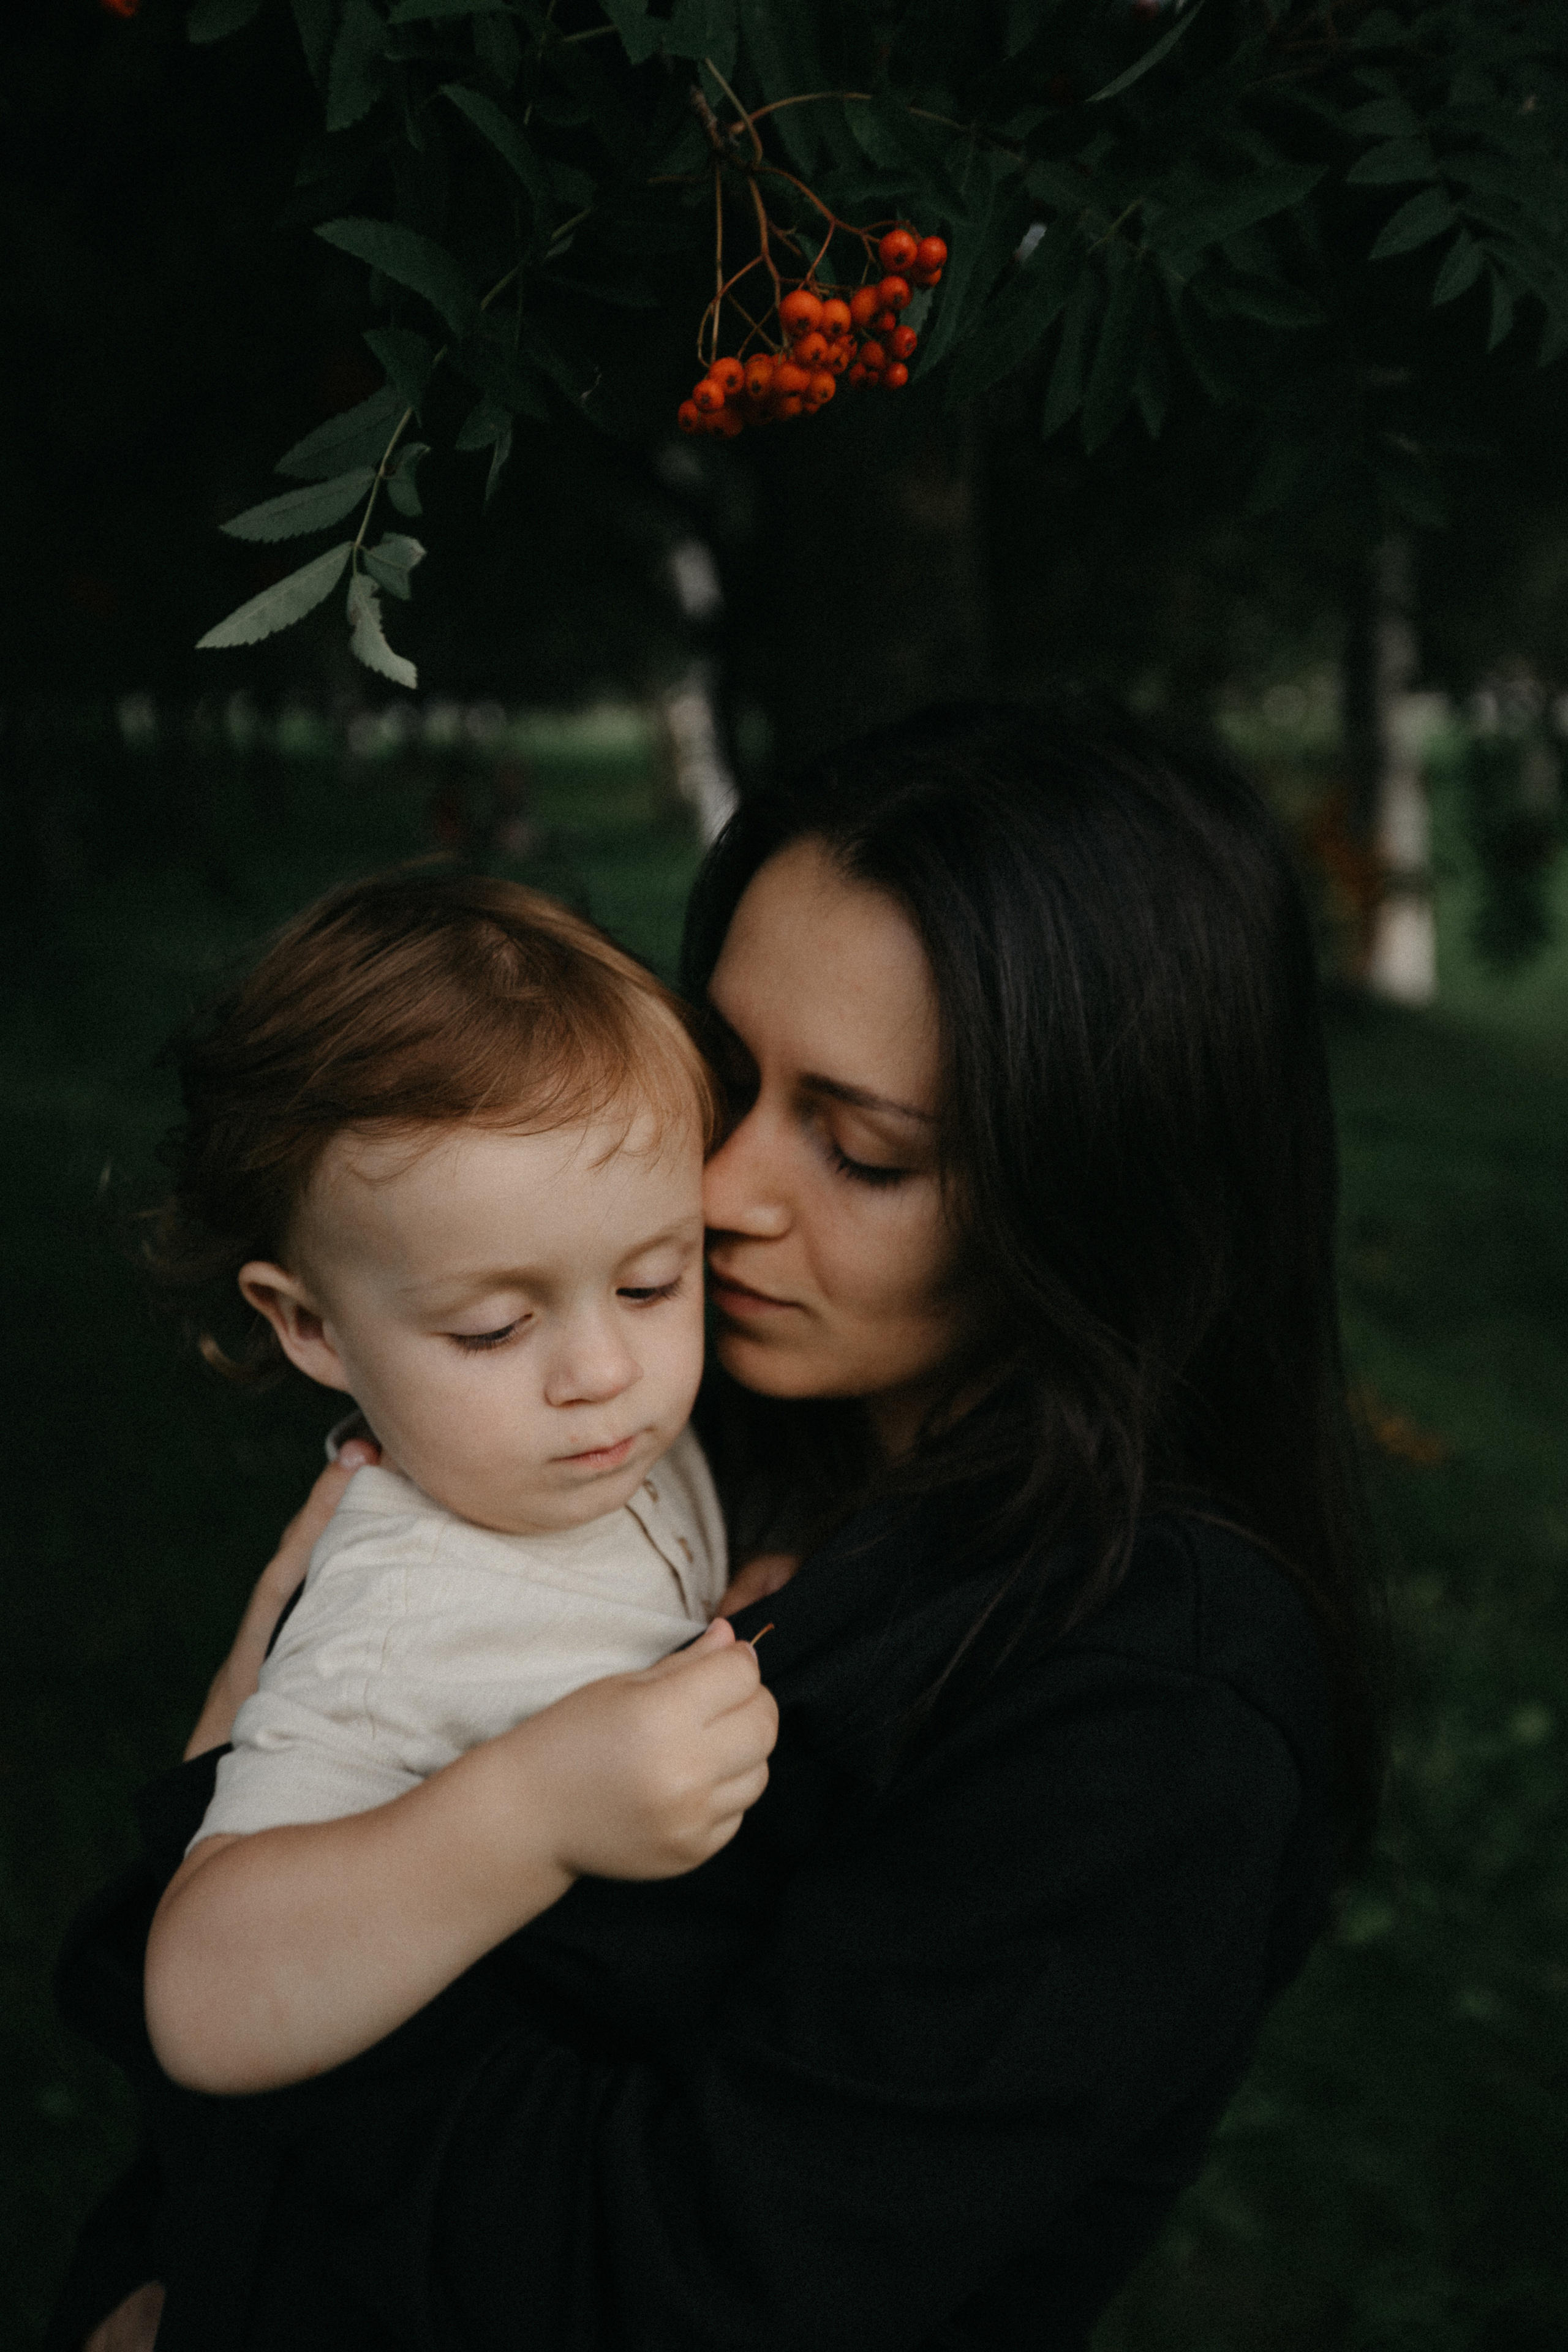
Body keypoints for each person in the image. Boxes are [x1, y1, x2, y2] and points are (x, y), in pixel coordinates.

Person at [55, 696, 1382, 2352]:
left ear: (1090, 1180)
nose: (725, 1189)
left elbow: (671, 2284)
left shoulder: (1148, 1704)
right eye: (729, 1077)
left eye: (864, 1146)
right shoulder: (678, 1417)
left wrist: (224, 1857)